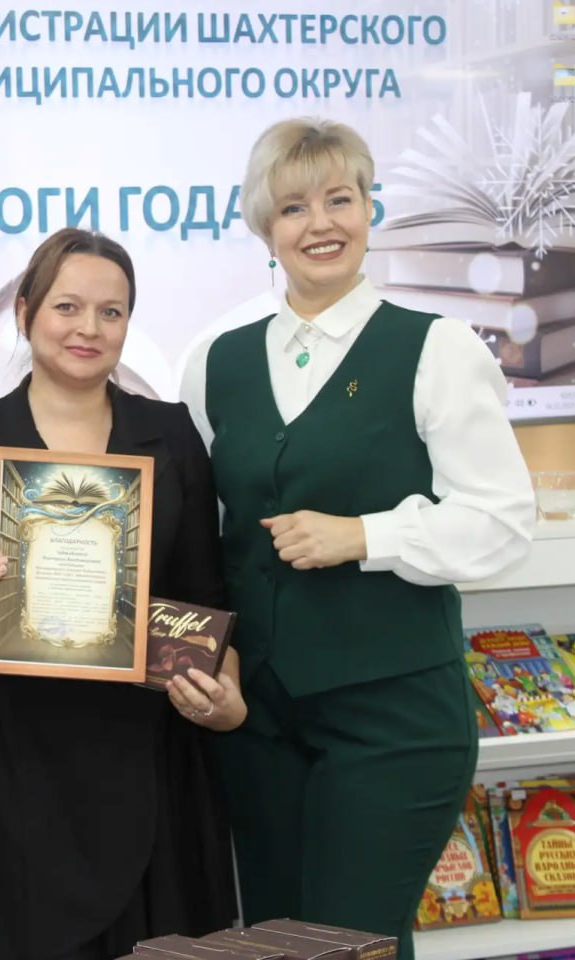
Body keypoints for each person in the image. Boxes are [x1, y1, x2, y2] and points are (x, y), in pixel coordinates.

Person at [180, 117, 536, 960]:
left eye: (340, 199)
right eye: (294, 207)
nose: (321, 224)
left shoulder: (436, 349)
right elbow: (203, 535)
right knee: (279, 943)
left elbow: (501, 521)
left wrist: (365, 535)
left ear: (371, 209)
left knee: (347, 944)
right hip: (260, 723)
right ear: (265, 227)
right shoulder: (216, 361)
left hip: (394, 720)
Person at [0, 228, 243, 960]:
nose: (89, 328)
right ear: (25, 312)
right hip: (21, 766)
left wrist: (222, 694)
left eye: (111, 311)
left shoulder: (170, 435)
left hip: (152, 757)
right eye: (67, 307)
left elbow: (206, 596)